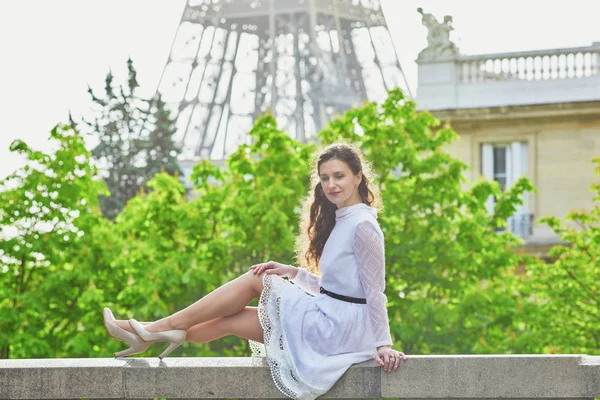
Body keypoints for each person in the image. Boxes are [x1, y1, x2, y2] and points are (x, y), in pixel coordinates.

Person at [103, 142, 407, 400]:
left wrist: (384, 344)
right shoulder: (343, 220)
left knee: (256, 279)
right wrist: (292, 272)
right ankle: (154, 333)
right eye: (325, 178)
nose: (331, 185)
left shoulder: (364, 225)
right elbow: (338, 288)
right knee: (231, 320)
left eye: (339, 176)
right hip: (331, 317)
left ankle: (154, 329)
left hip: (339, 331)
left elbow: (373, 292)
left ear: (358, 177)